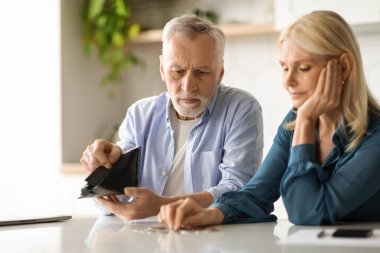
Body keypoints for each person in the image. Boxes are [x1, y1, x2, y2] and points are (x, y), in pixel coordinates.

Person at [158, 10, 380, 229]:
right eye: (284, 68)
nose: (288, 81)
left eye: (303, 68)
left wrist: (305, 120)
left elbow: (307, 211)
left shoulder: (372, 135)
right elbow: (256, 194)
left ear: (343, 67)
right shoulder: (296, 121)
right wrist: (210, 214)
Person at [80, 14, 263, 220]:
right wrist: (101, 174)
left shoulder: (242, 108)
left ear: (220, 73)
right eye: (177, 71)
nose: (188, 86)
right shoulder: (139, 115)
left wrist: (160, 206)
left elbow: (239, 191)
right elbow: (116, 202)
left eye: (202, 72)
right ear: (162, 69)